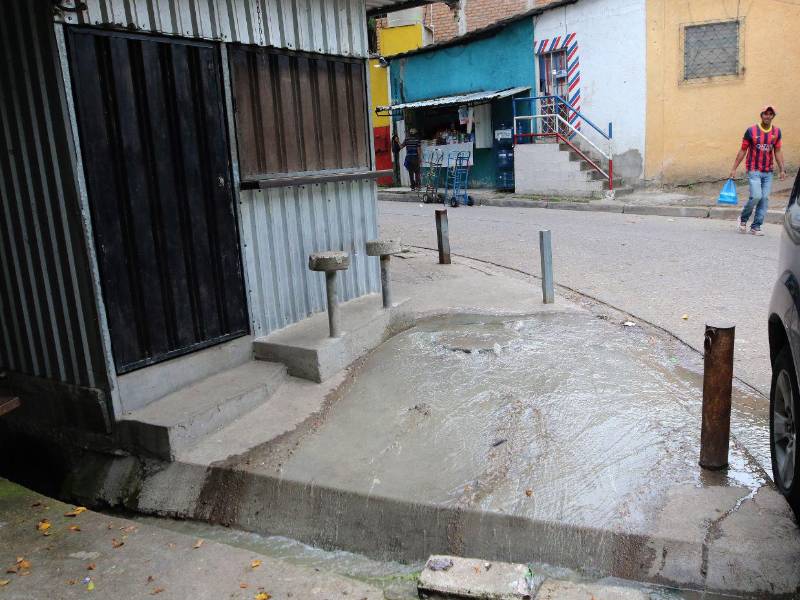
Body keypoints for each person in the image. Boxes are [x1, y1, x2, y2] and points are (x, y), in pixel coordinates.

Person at [729, 105, 786, 236]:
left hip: (768, 171)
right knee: (756, 196)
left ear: (773, 116)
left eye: (770, 114)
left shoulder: (777, 132)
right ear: (761, 115)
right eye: (765, 113)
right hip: (753, 169)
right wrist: (734, 168)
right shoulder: (751, 131)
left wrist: (782, 169)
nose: (768, 116)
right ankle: (743, 219)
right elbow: (743, 150)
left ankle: (756, 226)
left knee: (764, 198)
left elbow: (777, 151)